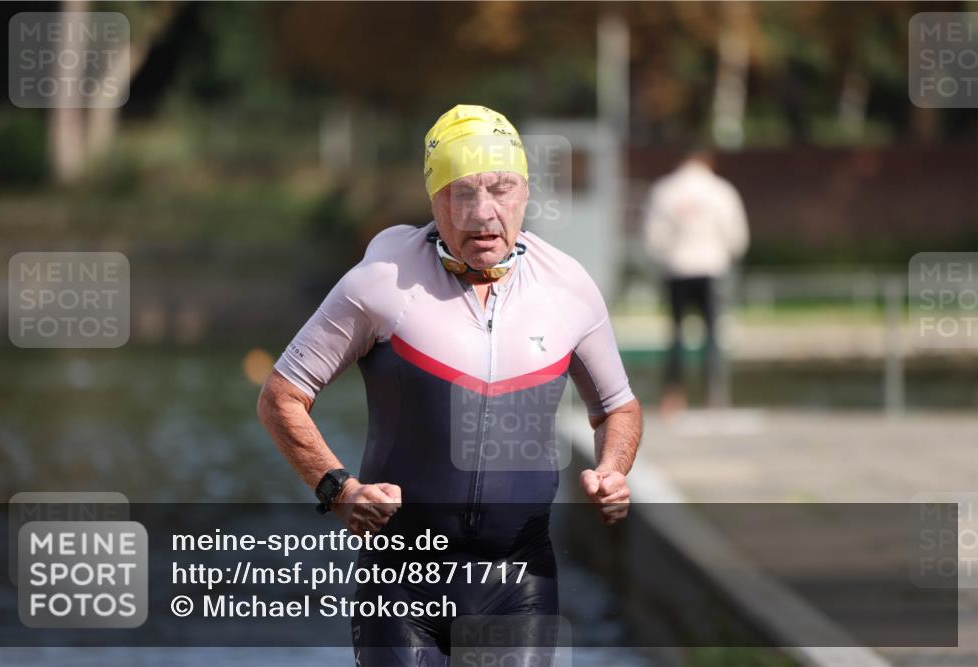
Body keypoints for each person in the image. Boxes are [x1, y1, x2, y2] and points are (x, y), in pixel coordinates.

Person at [258, 104, 642, 665]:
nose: (483, 213)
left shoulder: (568, 287)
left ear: (526, 194)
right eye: (463, 193)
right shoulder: (382, 281)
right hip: (400, 582)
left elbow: (618, 410)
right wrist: (339, 490)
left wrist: (612, 471)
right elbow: (280, 397)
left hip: (518, 580)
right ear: (434, 201)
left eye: (501, 189)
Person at [642, 150, 749, 415]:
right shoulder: (722, 191)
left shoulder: (665, 190)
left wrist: (669, 257)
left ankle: (673, 396)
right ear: (708, 163)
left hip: (677, 269)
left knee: (676, 334)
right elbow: (737, 236)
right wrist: (725, 255)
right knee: (714, 334)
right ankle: (715, 396)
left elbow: (654, 238)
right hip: (713, 268)